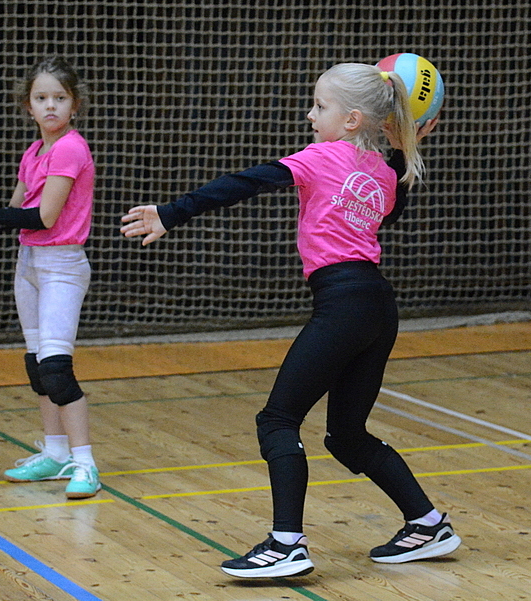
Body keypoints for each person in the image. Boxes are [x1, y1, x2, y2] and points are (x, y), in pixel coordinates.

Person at [121, 62, 460, 577]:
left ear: (351, 119)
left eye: (320, 106)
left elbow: (246, 182)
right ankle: (428, 523)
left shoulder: (322, 156)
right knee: (346, 435)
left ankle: (286, 544)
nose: (310, 115)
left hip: (343, 304)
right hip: (377, 308)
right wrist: (402, 145)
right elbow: (389, 213)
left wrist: (172, 212)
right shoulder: (383, 172)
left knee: (277, 420)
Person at [0, 57, 100, 499]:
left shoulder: (70, 148)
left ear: (75, 105)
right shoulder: (34, 152)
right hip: (30, 262)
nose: (50, 105)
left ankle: (85, 464)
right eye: (41, 98)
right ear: (28, 106)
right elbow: (19, 207)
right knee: (37, 366)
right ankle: (55, 454)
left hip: (62, 266)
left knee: (55, 367)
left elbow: (44, 216)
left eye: (60, 98)